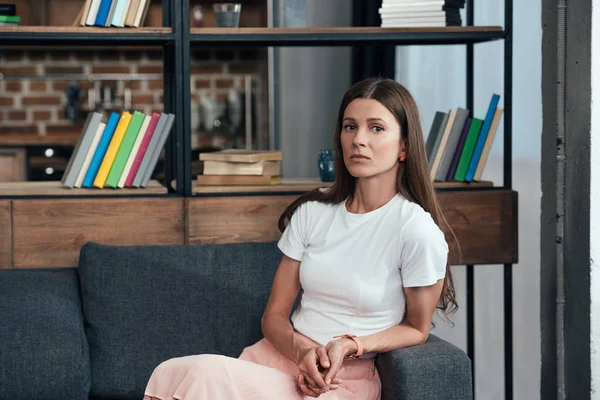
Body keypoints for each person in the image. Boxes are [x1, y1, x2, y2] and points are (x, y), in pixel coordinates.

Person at [143, 77, 458, 400]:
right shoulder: (313, 211)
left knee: (200, 375)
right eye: (350, 127)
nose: (358, 139)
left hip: (339, 381)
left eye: (376, 128)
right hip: (276, 360)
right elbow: (274, 316)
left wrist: (351, 344)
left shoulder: (416, 230)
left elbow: (417, 329)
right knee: (179, 373)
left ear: (404, 145)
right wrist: (301, 351)